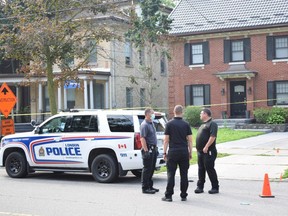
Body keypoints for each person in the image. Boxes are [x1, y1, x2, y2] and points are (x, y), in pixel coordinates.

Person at [162, 105, 193, 202]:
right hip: (184, 151)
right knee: (184, 174)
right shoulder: (186, 124)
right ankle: (183, 195)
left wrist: (164, 152)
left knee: (171, 174)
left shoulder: (169, 124)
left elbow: (166, 140)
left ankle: (169, 196)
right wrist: (190, 152)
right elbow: (190, 140)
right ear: (182, 112)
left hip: (173, 151)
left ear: (173, 111)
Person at [195, 108, 219, 194]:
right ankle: (200, 186)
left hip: (208, 151)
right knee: (201, 169)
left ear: (205, 114)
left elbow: (213, 136)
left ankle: (215, 187)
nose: (200, 115)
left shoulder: (212, 124)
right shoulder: (203, 125)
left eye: (201, 113)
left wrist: (206, 146)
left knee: (209, 168)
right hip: (200, 152)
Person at [140, 108, 159, 194]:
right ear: (147, 114)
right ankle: (145, 187)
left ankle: (150, 185)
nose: (153, 115)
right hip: (148, 148)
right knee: (147, 169)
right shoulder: (144, 125)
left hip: (153, 148)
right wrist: (146, 150)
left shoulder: (151, 123)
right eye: (152, 113)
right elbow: (142, 138)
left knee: (151, 168)